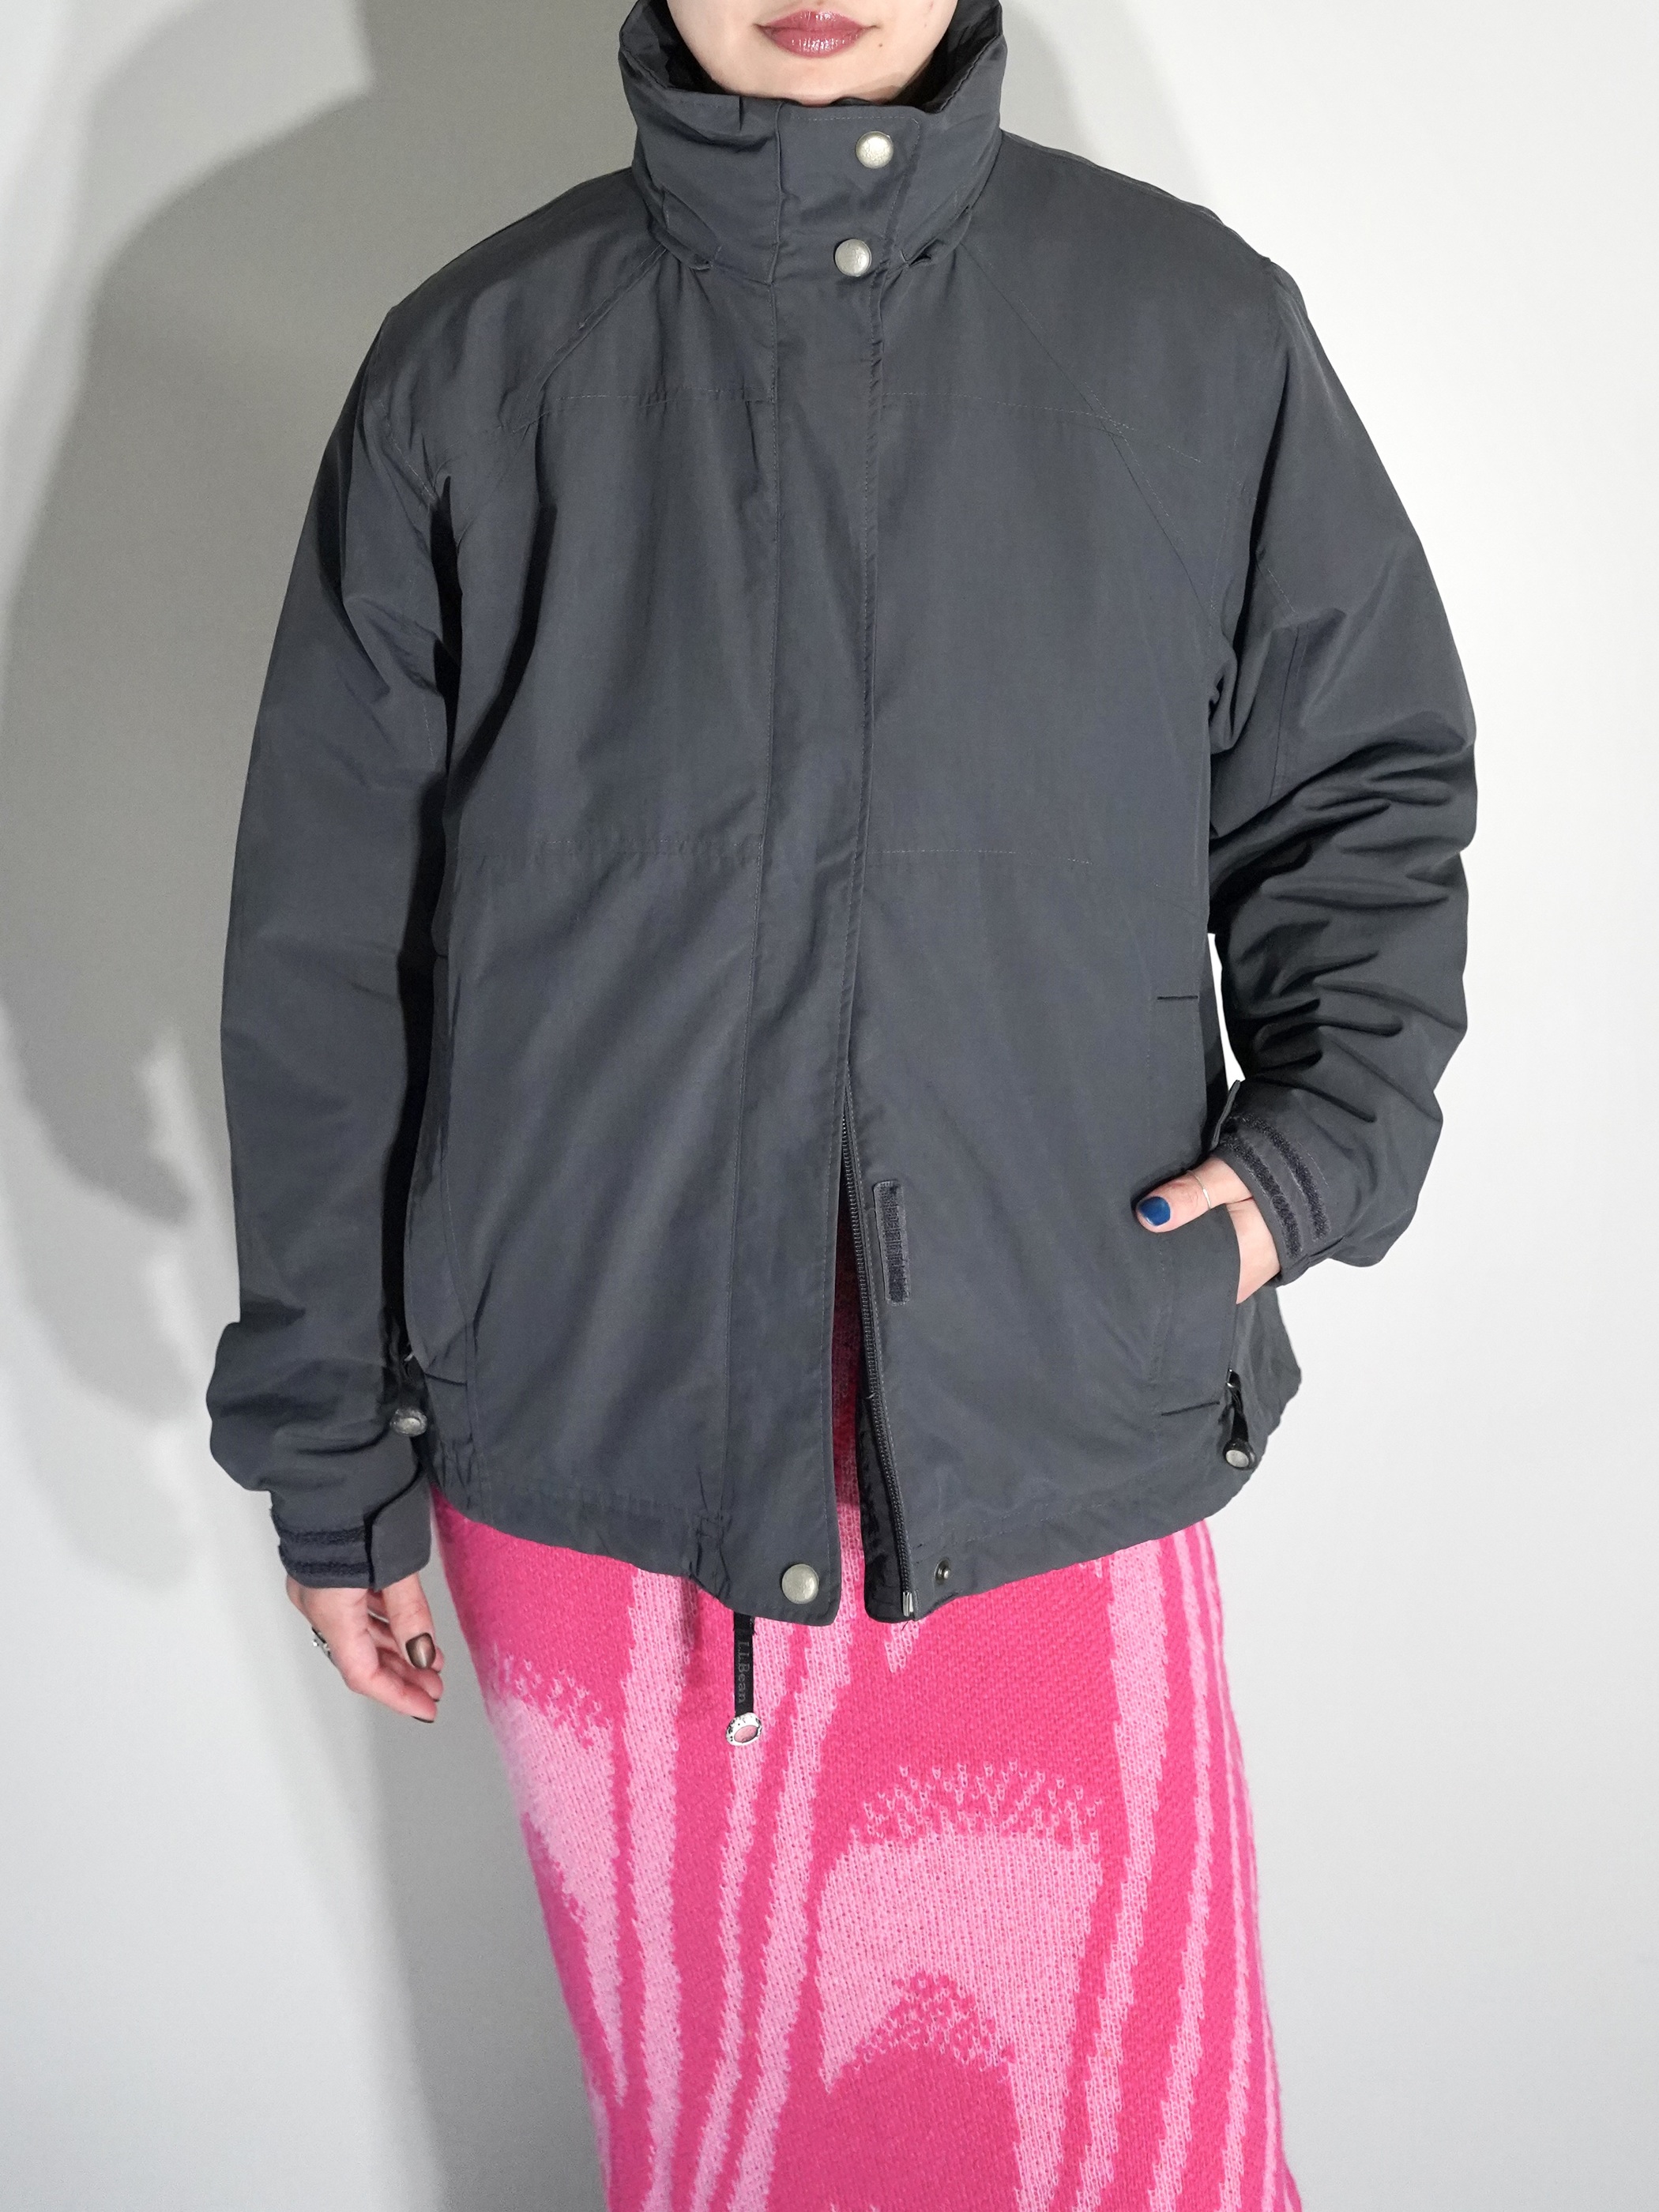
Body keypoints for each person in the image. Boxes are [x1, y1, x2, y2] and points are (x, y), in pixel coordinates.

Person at [206, 1, 1475, 2203]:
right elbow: (327, 961)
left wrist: (1305, 1166)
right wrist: (329, 1454)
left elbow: (1358, 794)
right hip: (603, 1461)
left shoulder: (1186, 329)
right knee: (721, 2146)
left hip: (1047, 1433)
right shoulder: (478, 363)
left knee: (1124, 2143)